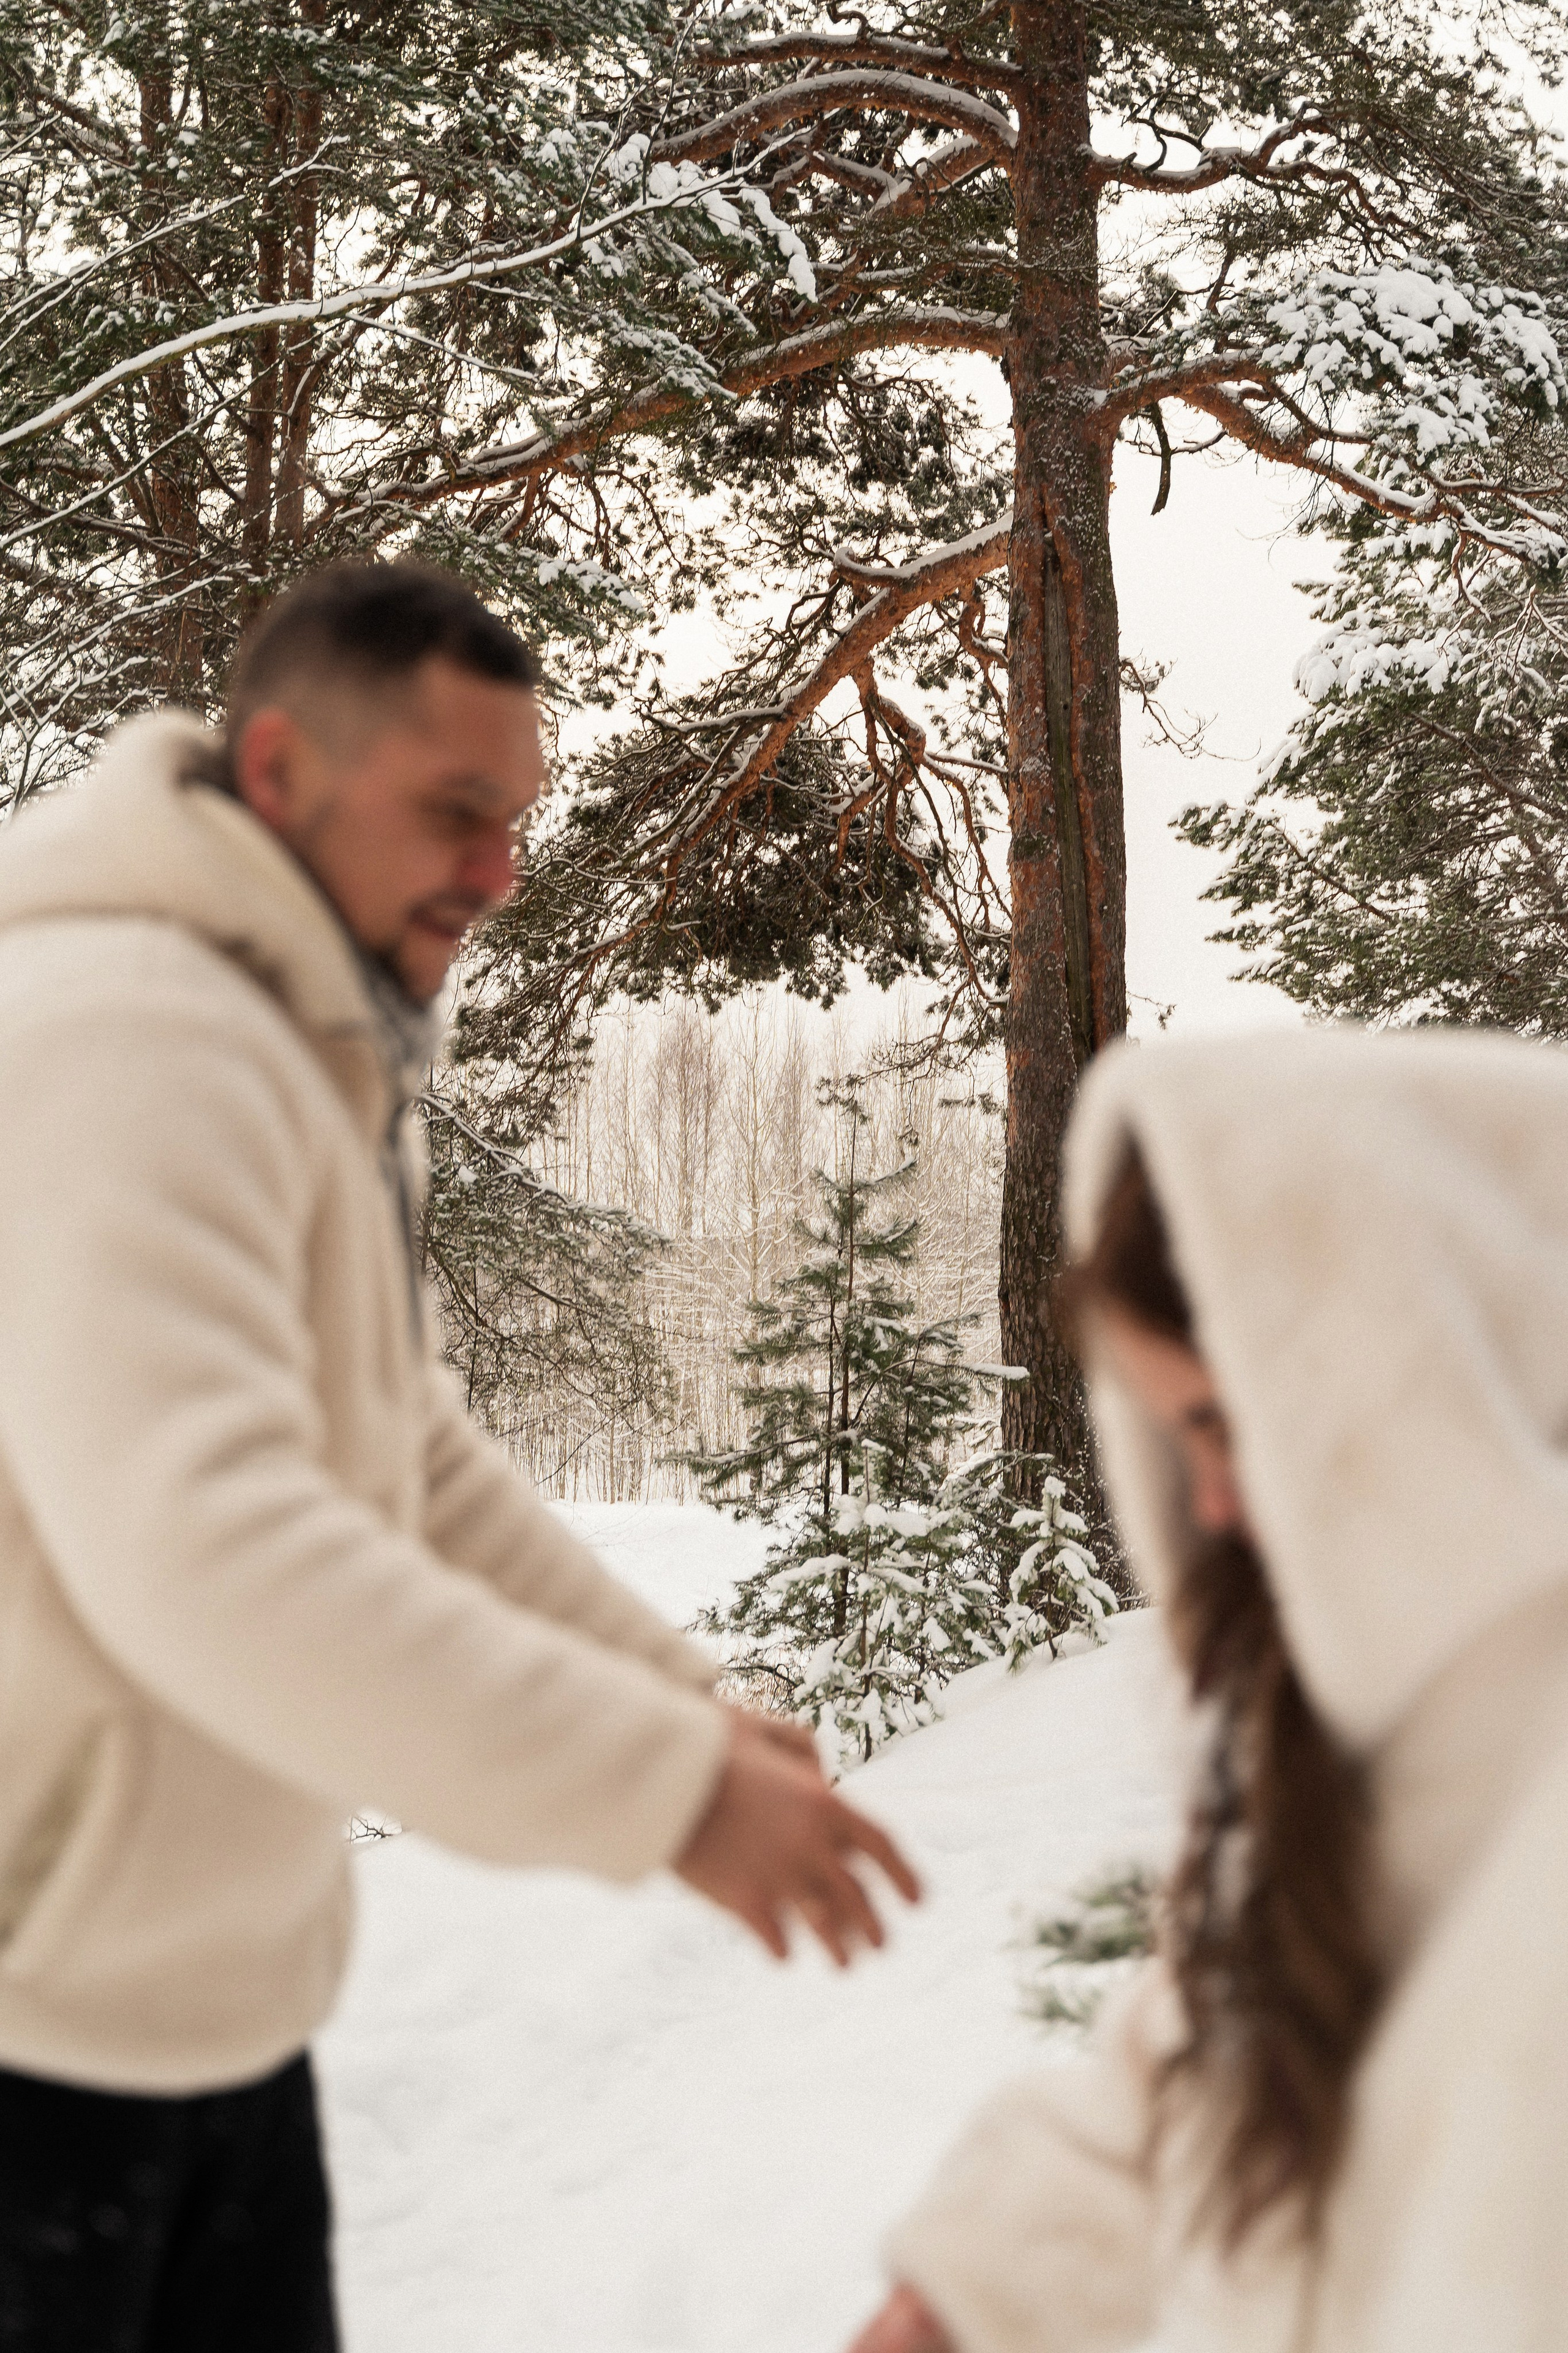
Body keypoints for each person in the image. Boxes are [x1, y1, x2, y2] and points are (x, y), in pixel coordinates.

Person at [0, 562, 918, 2352]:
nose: (500, 869)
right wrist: (665, 1792)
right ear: (279, 776)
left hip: (203, 2017)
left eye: (516, 816)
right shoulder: (124, 1034)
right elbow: (209, 1545)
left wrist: (674, 1695)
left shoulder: (300, 1037)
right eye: (455, 810)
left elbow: (400, 1451)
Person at [848, 1024, 1568, 2353]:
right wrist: (979, 2288)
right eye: (1177, 1436)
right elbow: (1216, 2063)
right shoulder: (1342, 1728)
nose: (1217, 1506)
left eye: (1232, 1426)